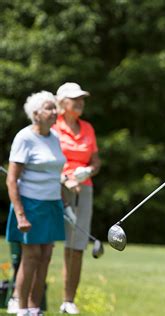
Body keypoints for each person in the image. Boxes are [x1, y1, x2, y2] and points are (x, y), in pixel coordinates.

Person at [6, 91, 66, 316]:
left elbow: (55, 173)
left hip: (52, 204)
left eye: (54, 108)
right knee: (30, 256)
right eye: (49, 108)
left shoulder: (55, 137)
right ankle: (22, 309)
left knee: (46, 257)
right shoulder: (25, 138)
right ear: (36, 114)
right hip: (30, 204)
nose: (54, 112)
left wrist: (65, 201)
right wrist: (20, 214)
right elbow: (12, 179)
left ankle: (34, 307)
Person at [52, 82, 101, 314]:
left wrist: (87, 172)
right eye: (75, 99)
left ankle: (68, 300)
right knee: (40, 245)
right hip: (53, 188)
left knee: (76, 246)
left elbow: (96, 161)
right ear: (62, 103)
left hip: (84, 189)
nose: (80, 102)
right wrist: (64, 177)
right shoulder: (52, 126)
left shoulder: (88, 128)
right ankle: (27, 298)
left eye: (82, 98)